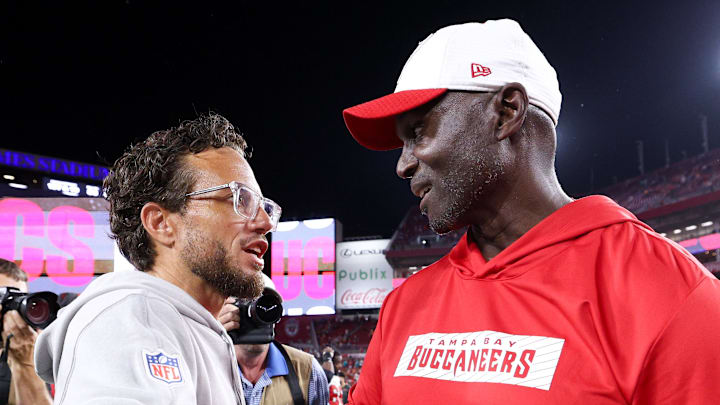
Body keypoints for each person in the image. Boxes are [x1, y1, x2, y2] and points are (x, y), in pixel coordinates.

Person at [341, 19, 720, 404]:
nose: (402, 165)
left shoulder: (671, 296)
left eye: (418, 133)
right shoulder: (403, 307)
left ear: (507, 112)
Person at [34, 113, 282, 404]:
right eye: (240, 199)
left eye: (264, 207)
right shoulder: (129, 320)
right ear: (161, 223)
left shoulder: (186, 326)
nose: (265, 223)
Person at [218, 275, 329, 405]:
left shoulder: (308, 370)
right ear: (227, 308)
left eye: (265, 304)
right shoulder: (206, 364)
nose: (257, 313)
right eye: (245, 302)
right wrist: (211, 333)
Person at [0, 259, 52, 405]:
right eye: (3, 300)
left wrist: (25, 363)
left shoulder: (29, 351)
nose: (11, 311)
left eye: (17, 299)